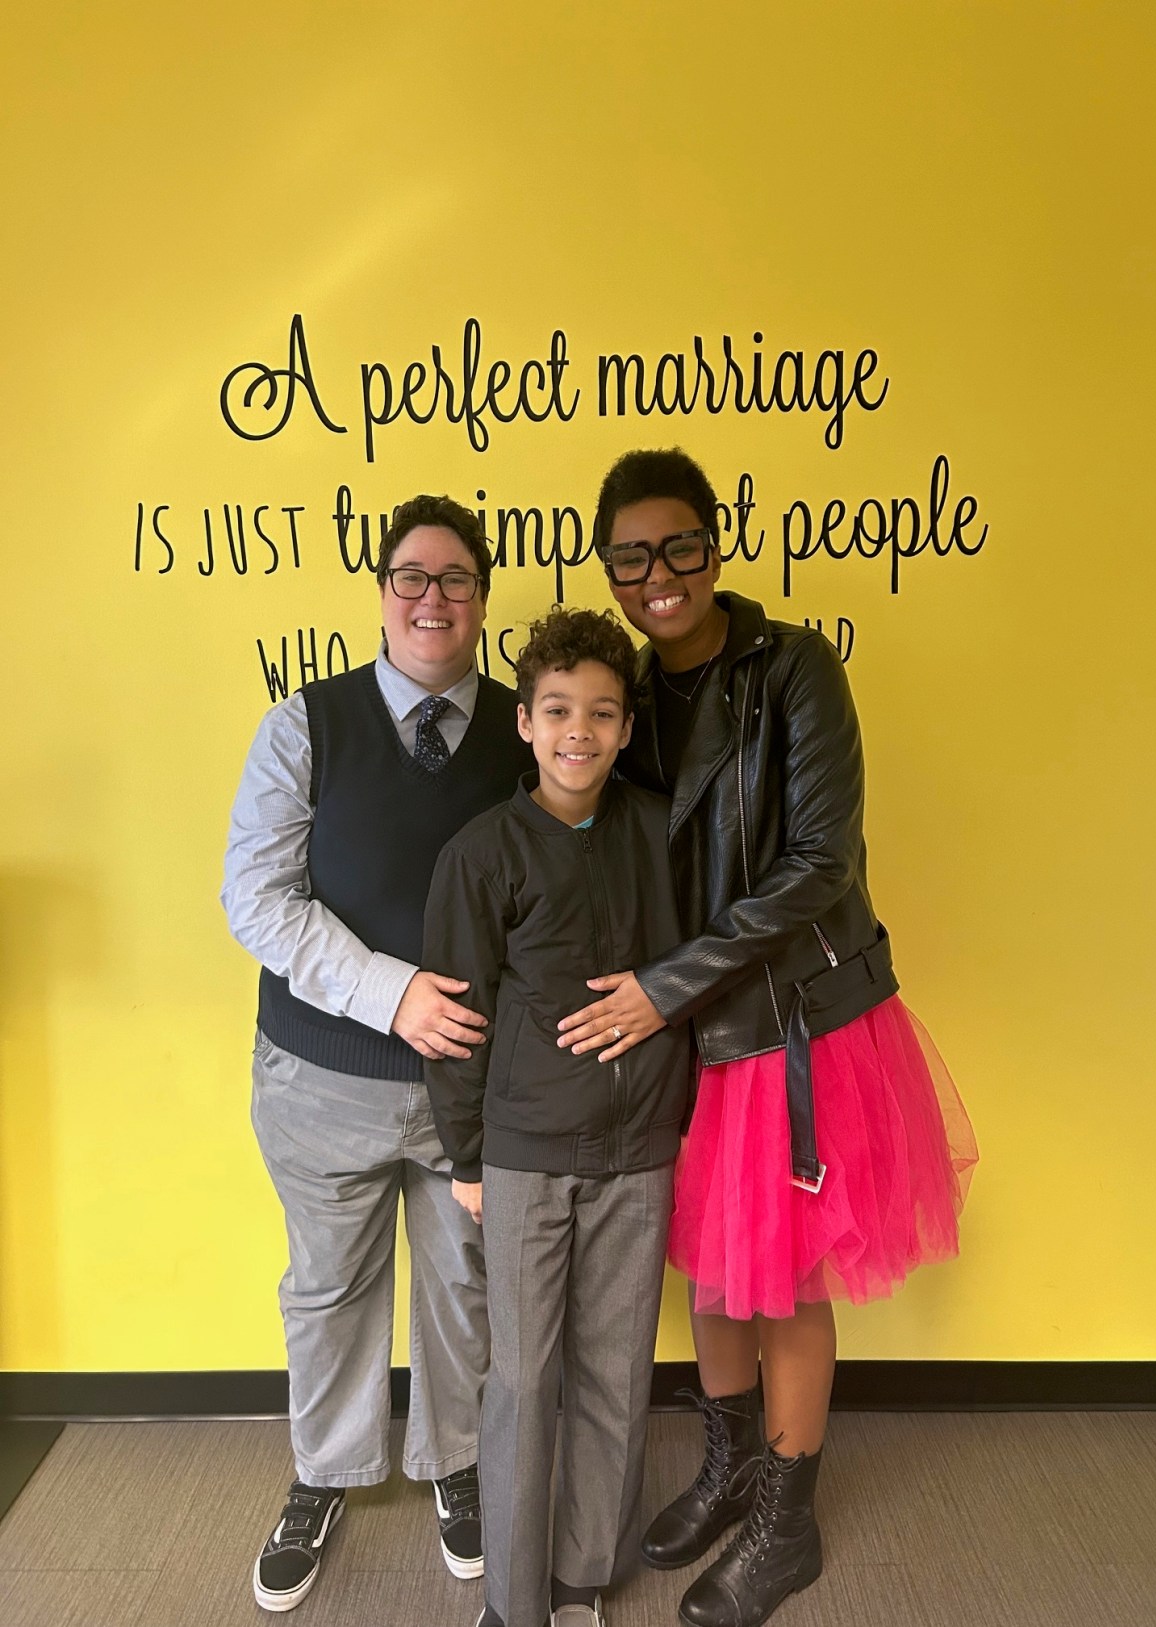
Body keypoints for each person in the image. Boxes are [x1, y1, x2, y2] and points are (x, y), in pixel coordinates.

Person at [557, 449, 978, 1627]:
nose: (658, 575)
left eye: (678, 545)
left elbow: (818, 863)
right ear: (611, 566)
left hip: (798, 1018)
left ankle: (785, 1520)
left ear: (713, 543)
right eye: (631, 555)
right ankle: (730, 1466)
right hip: (690, 1030)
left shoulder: (792, 667)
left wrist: (660, 988)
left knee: (783, 1277)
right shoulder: (625, 696)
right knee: (710, 1268)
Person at [221, 494, 533, 1613]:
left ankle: (452, 1462)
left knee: (463, 1288)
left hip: (475, 1089)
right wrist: (390, 992)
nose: (432, 597)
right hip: (319, 1077)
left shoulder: (528, 728)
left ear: (484, 597)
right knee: (328, 1286)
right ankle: (327, 1471)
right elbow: (255, 898)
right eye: (411, 575)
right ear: (381, 593)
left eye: (455, 577)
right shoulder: (302, 725)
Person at [423, 607, 692, 1627]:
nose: (578, 730)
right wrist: (467, 1155)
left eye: (600, 712)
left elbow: (695, 967)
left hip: (638, 1150)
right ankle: (513, 1598)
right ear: (525, 724)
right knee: (524, 1377)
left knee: (616, 1372)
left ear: (625, 728)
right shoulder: (481, 853)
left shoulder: (662, 830)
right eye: (556, 710)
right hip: (525, 1153)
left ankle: (581, 1575)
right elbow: (454, 1018)